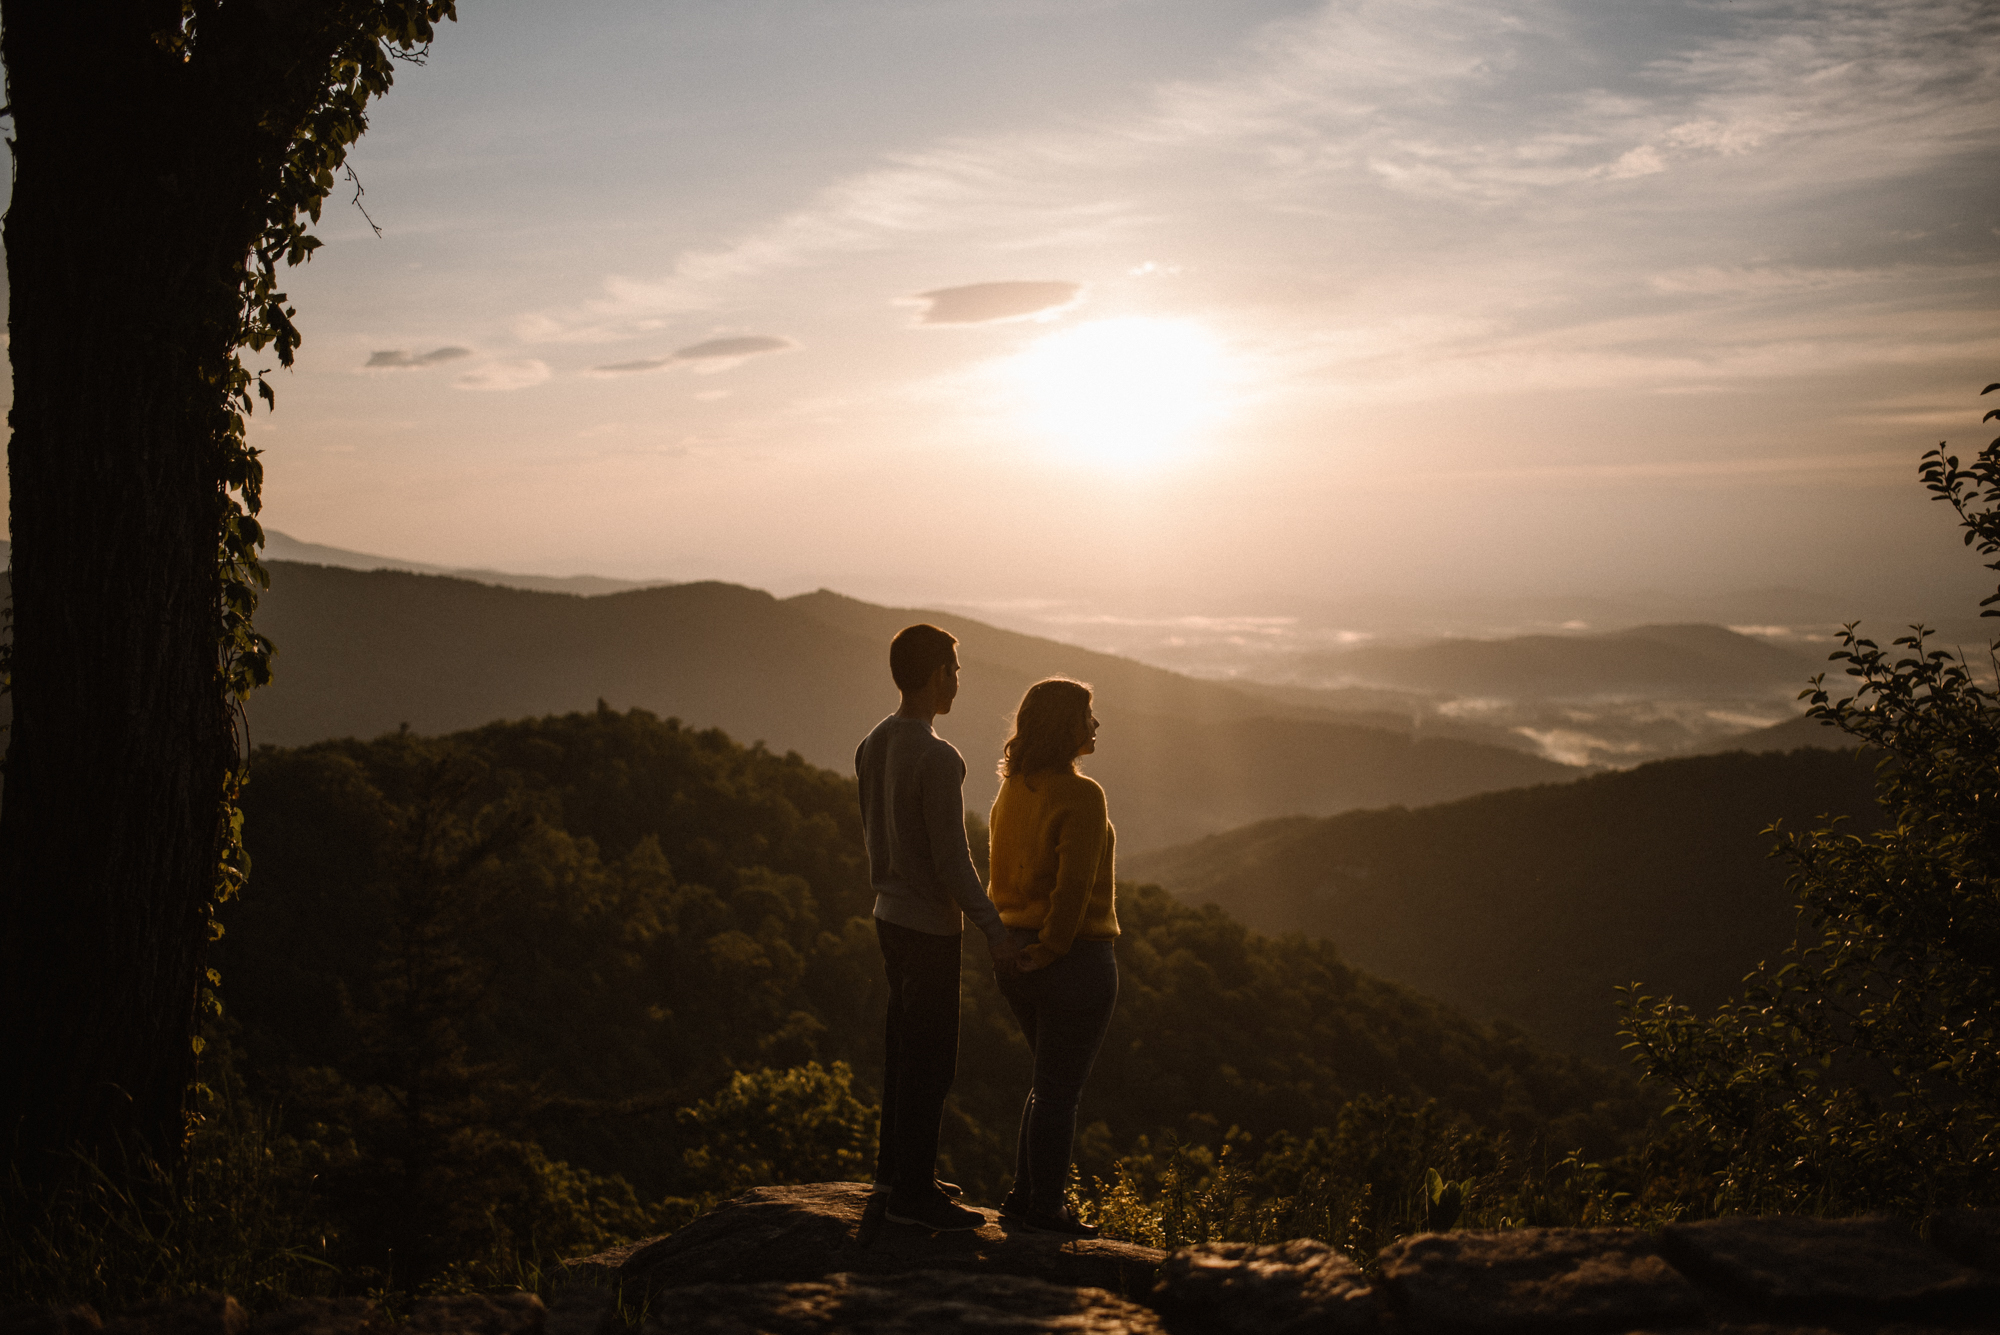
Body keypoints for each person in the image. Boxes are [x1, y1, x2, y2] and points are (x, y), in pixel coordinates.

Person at [855, 623, 1020, 1231]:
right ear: (933, 676)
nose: (958, 679)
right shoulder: (939, 756)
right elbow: (954, 861)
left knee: (902, 1048)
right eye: (953, 669)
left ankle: (895, 1171)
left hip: (886, 918)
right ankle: (912, 1196)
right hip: (928, 929)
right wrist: (994, 929)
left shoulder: (871, 743)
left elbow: (878, 835)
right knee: (931, 1059)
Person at [985, 677, 1117, 1238]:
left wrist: (1021, 950)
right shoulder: (1082, 795)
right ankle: (1046, 1210)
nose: (1095, 725)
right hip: (1073, 958)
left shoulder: (1013, 787)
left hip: (1013, 953)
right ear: (1067, 726)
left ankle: (1024, 1197)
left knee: (1045, 1083)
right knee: (1060, 1092)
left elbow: (1000, 869)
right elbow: (1074, 888)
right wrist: (1056, 948)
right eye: (1088, 716)